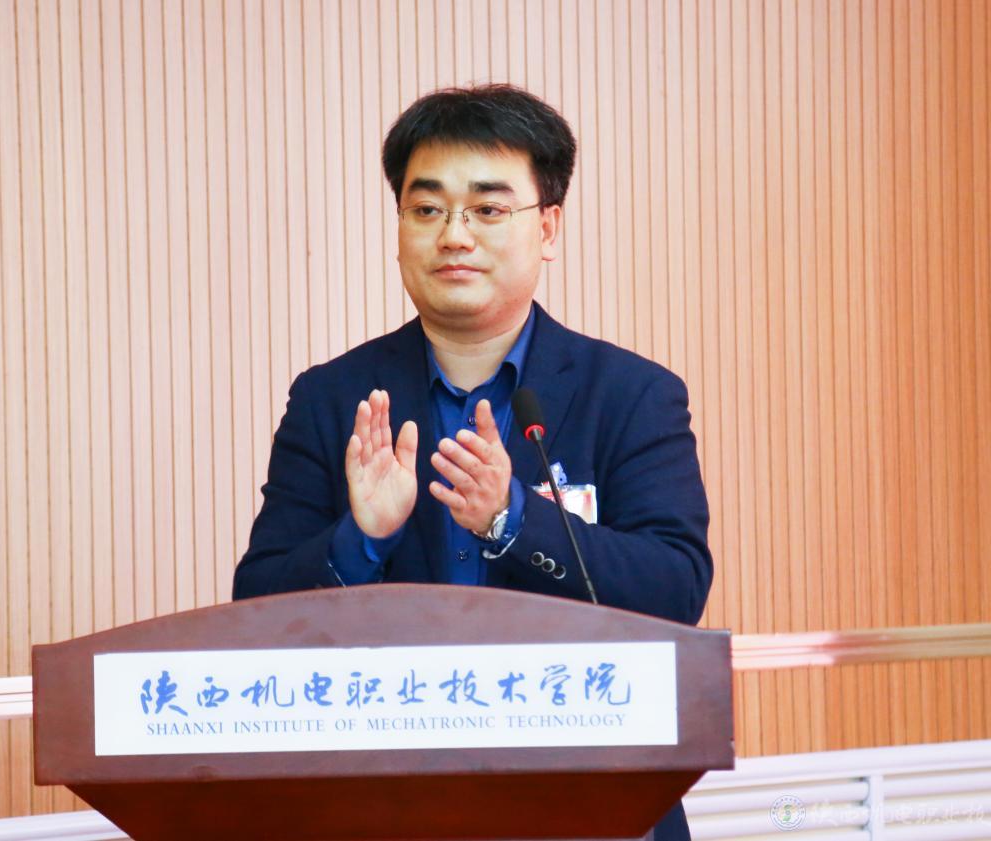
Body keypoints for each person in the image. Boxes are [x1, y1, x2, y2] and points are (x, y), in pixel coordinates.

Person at [233, 84, 712, 840]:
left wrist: (514, 521)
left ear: (547, 228)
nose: (454, 235)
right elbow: (254, 607)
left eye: (487, 209)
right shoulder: (332, 398)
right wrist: (361, 538)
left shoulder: (630, 394)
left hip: (591, 804)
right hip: (381, 811)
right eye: (427, 209)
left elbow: (675, 589)